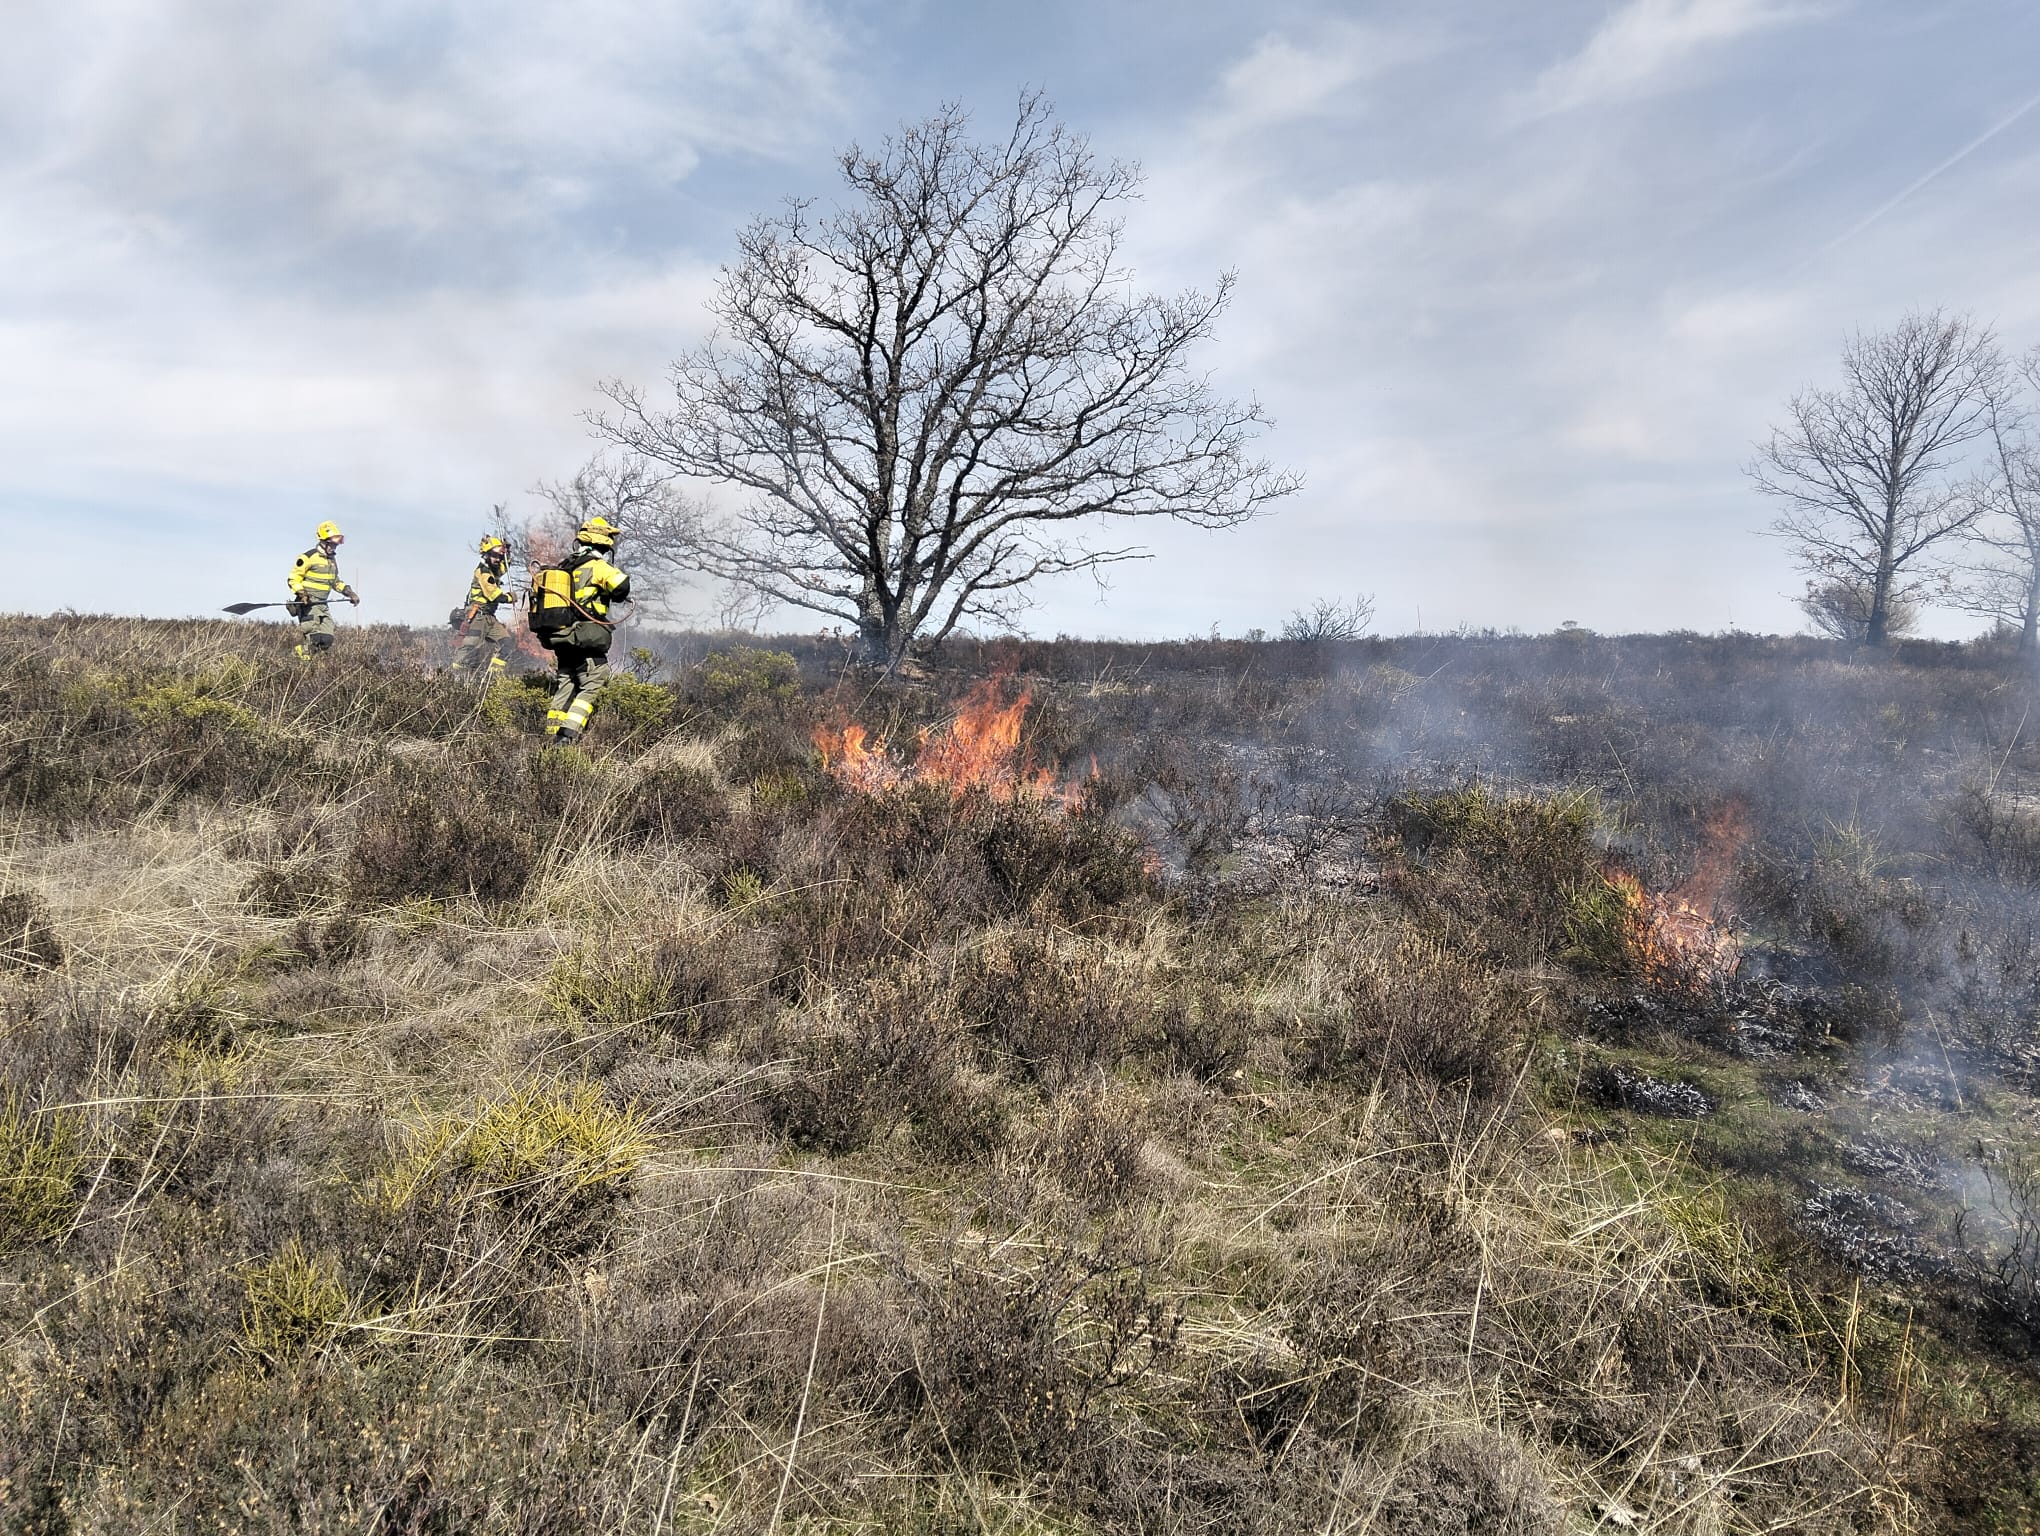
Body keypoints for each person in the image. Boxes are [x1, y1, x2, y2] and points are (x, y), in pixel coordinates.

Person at [539, 516, 631, 744]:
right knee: (593, 680)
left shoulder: (564, 567)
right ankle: (566, 737)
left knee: (567, 682)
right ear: (604, 544)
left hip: (561, 637)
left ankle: (550, 735)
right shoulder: (598, 566)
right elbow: (622, 586)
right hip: (584, 636)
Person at [449, 534, 517, 681]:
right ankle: (454, 680)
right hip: (477, 615)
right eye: (494, 555)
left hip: (489, 617)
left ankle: (492, 677)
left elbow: (505, 566)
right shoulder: (483, 572)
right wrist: (510, 597)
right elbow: (493, 594)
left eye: (499, 556)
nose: (497, 559)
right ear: (486, 555)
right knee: (470, 649)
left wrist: (508, 553)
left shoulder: (494, 569)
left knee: (507, 643)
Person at [287, 521, 359, 659]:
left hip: (322, 604)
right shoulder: (308, 557)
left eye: (336, 545)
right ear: (324, 542)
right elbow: (293, 578)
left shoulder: (332, 561)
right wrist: (301, 594)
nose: (334, 547)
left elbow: (335, 582)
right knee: (314, 637)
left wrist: (349, 592)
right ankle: (300, 662)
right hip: (308, 603)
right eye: (332, 544)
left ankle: (311, 664)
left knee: (326, 640)